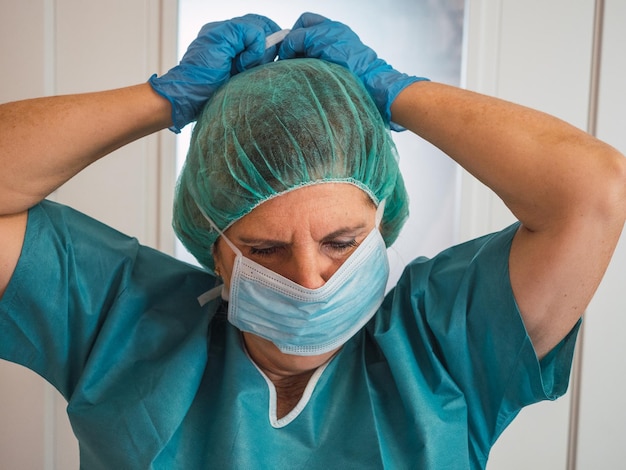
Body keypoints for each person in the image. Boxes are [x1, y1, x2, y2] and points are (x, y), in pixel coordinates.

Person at [0, 11, 624, 470]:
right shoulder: (121, 321)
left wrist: (395, 91)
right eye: (263, 251)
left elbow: (592, 191)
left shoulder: (444, 348)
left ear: (383, 224)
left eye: (341, 241)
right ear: (211, 246)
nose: (307, 279)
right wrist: (162, 100)